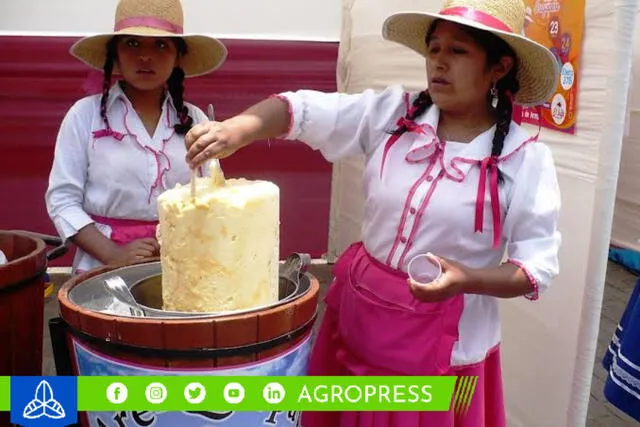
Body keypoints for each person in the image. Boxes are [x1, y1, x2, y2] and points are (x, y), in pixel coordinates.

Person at [185, 0, 562, 424]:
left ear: (499, 67)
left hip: (447, 345)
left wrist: (466, 279)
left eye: (458, 52)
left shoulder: (524, 160)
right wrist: (238, 130)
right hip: (361, 316)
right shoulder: (395, 115)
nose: (438, 62)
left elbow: (535, 269)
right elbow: (304, 111)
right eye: (434, 49)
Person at [45, 0, 227, 274]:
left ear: (178, 57)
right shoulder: (85, 115)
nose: (145, 56)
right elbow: (62, 200)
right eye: (132, 43)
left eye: (161, 45)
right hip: (101, 270)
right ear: (114, 54)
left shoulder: (195, 119)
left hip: (181, 266)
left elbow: (212, 195)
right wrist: (112, 254)